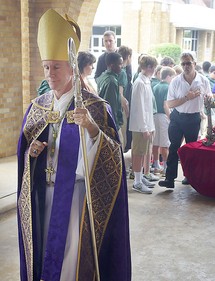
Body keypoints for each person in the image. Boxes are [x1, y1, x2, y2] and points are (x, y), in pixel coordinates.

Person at [17, 9, 131, 280]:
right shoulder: (38, 107)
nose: (50, 73)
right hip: (42, 198)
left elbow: (114, 157)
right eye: (46, 66)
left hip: (76, 202)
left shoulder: (95, 107)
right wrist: (31, 154)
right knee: (42, 253)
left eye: (56, 67)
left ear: (72, 67)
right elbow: (26, 149)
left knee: (71, 262)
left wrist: (92, 129)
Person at [159, 52, 212, 189]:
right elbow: (169, 104)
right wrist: (187, 98)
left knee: (191, 149)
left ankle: (190, 177)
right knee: (173, 147)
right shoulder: (176, 81)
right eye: (183, 64)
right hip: (177, 117)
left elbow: (209, 96)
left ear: (194, 63)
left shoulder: (203, 80)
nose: (186, 66)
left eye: (188, 63)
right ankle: (169, 179)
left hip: (193, 118)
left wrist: (209, 98)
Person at [129, 55, 159, 194]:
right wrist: (144, 128)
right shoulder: (139, 83)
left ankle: (140, 177)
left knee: (144, 152)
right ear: (144, 67)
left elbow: (148, 106)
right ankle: (137, 182)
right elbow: (139, 108)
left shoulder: (146, 81)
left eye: (153, 67)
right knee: (138, 153)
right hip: (140, 126)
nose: (152, 69)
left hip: (147, 124)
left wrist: (150, 127)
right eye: (150, 67)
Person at [152, 66, 176, 175]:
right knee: (165, 144)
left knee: (155, 142)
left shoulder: (155, 86)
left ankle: (156, 164)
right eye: (173, 77)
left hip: (154, 116)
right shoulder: (167, 87)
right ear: (168, 76)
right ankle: (166, 167)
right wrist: (171, 117)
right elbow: (165, 104)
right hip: (163, 116)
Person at [96, 52, 124, 138]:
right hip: (111, 126)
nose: (122, 66)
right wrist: (114, 128)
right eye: (120, 64)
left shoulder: (102, 76)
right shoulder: (112, 82)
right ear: (112, 65)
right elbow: (111, 107)